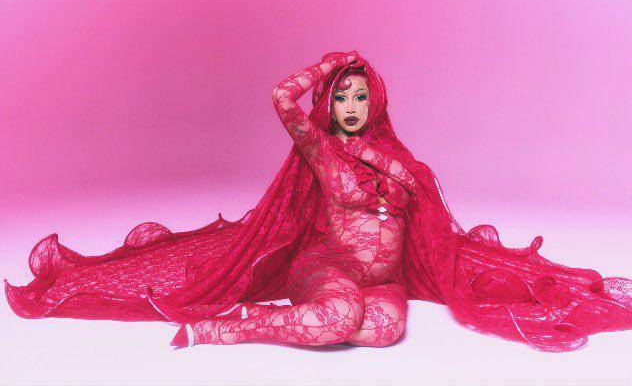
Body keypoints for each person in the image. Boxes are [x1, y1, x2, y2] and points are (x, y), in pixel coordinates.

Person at [5, 51, 631, 352]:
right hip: (326, 264)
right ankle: (229, 329)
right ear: (328, 104)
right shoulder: (319, 149)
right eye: (340, 96)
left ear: (374, 101)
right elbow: (283, 99)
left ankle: (305, 314)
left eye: (359, 96)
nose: (351, 106)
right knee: (336, 317)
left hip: (384, 279)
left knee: (382, 331)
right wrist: (327, 65)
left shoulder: (397, 156)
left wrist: (390, 169)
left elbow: (429, 218)